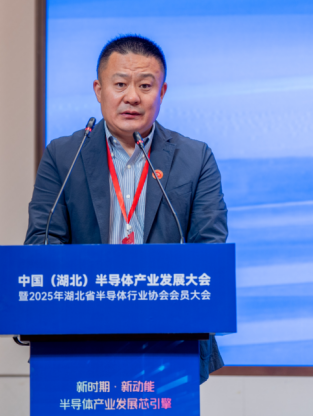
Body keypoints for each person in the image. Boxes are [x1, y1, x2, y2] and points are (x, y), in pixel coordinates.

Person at [24, 34, 227, 383]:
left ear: (162, 92)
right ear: (99, 89)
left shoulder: (195, 157)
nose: (132, 96)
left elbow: (210, 249)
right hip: (80, 343)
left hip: (170, 345)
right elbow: (42, 244)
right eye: (120, 84)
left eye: (145, 85)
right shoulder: (64, 155)